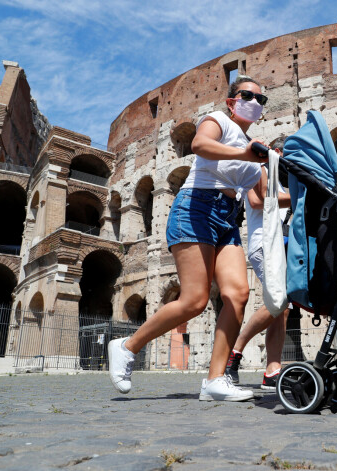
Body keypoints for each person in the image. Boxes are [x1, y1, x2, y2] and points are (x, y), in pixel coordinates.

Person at [107, 76, 271, 401]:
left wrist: (284, 171)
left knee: (237, 295)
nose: (255, 102)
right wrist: (245, 153)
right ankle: (127, 346)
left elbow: (259, 200)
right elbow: (199, 146)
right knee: (194, 301)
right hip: (196, 206)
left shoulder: (255, 146)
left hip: (226, 219)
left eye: (261, 99)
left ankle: (215, 380)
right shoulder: (218, 121)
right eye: (248, 95)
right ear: (232, 101)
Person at [226, 144, 292, 390]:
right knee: (280, 299)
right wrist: (300, 197)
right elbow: (257, 201)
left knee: (282, 308)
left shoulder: (279, 181)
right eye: (285, 157)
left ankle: (272, 370)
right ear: (275, 151)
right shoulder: (259, 168)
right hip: (263, 243)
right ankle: (236, 350)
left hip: (277, 243)